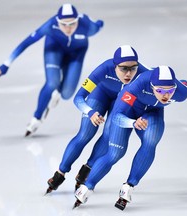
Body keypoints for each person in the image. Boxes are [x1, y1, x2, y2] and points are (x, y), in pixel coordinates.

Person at [73, 65, 187, 209]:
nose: (165, 96)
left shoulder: (181, 93)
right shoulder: (136, 86)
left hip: (152, 113)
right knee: (115, 153)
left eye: (170, 91)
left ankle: (129, 185)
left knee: (151, 140)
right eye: (159, 91)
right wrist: (133, 122)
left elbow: (184, 84)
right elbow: (116, 117)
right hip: (127, 111)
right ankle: (87, 187)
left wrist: (181, 84)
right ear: (152, 86)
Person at [45, 45, 152, 194]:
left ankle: (88, 169)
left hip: (121, 101)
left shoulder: (144, 74)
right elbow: (78, 97)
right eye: (123, 69)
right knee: (85, 133)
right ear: (114, 66)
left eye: (133, 68)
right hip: (99, 95)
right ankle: (60, 173)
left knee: (109, 134)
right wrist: (90, 112)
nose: (129, 74)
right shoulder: (103, 69)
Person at [0, 4, 104, 136]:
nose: (68, 28)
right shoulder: (50, 25)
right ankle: (37, 117)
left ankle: (58, 91)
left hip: (76, 54)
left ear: (77, 21)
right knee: (52, 82)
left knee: (67, 94)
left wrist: (99, 23)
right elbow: (26, 42)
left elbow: (98, 25)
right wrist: (6, 64)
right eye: (64, 24)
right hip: (54, 50)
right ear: (58, 21)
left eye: (72, 24)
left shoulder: (87, 26)